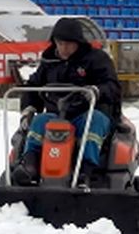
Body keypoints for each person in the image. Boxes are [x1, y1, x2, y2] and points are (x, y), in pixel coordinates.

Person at [12, 17, 122, 187]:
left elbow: (112, 86)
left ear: (78, 43)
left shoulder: (96, 59)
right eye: (60, 43)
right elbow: (33, 86)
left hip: (86, 113)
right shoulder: (49, 62)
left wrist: (96, 91)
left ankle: (86, 171)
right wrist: (28, 109)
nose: (64, 48)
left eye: (69, 44)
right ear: (54, 42)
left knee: (93, 122)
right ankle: (29, 166)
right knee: (39, 121)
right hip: (56, 115)